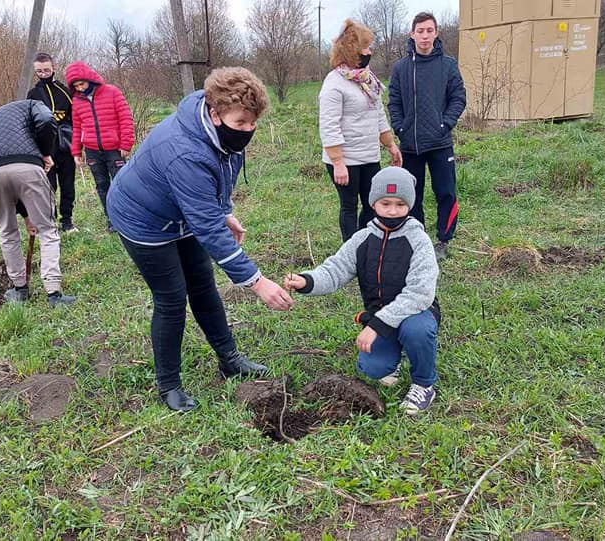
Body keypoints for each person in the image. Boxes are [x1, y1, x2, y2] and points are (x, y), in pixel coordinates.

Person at [107, 67, 294, 412]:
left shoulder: (222, 132)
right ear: (215, 113)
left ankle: (229, 359)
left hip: (181, 210)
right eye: (241, 123)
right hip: (143, 218)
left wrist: (224, 210)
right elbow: (207, 228)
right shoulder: (185, 152)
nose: (248, 131)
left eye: (253, 123)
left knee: (203, 285)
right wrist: (257, 282)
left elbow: (222, 174)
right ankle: (169, 384)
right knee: (172, 298)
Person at [284, 167, 440, 415]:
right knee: (372, 368)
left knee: (416, 330)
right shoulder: (362, 238)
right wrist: (307, 281)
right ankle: (393, 359)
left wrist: (376, 326)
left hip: (415, 313)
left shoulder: (419, 241)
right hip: (379, 317)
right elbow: (335, 269)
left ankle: (424, 383)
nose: (392, 210)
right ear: (373, 202)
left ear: (410, 205)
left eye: (400, 204)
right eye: (385, 203)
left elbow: (420, 293)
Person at [0, 99, 76, 307]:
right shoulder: (32, 104)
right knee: (47, 230)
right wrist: (46, 152)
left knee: (7, 230)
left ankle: (19, 289)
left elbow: (1, 165)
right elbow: (47, 120)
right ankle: (53, 294)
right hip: (28, 169)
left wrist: (27, 216)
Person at [388, 12, 467, 259]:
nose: (424, 35)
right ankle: (417, 238)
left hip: (440, 143)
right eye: (420, 31)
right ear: (412, 34)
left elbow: (458, 98)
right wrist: (400, 128)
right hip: (410, 145)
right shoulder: (401, 68)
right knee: (413, 196)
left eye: (429, 30)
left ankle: (444, 241)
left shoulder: (447, 65)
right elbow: (394, 102)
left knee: (446, 192)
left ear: (436, 33)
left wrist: (446, 124)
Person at [320, 19, 402, 241]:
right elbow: (329, 125)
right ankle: (350, 250)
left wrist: (390, 144)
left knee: (371, 202)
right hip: (345, 160)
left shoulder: (368, 79)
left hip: (369, 155)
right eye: (365, 48)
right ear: (352, 51)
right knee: (349, 206)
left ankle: (366, 244)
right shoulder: (334, 83)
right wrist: (337, 161)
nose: (369, 52)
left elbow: (378, 114)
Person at [64, 61, 134, 233]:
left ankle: (128, 218)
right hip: (92, 151)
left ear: (90, 78)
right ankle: (112, 220)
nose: (80, 88)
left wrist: (126, 143)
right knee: (102, 186)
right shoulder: (77, 101)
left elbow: (125, 118)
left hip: (114, 150)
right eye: (76, 86)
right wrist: (76, 151)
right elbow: (77, 128)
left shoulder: (112, 92)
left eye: (82, 83)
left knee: (121, 185)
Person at [27, 52, 78, 232]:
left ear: (53, 68)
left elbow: (75, 117)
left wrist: (77, 142)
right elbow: (30, 121)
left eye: (46, 70)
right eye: (39, 71)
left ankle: (67, 220)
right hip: (45, 147)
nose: (43, 74)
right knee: (48, 186)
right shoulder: (33, 94)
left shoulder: (65, 90)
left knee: (68, 184)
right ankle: (51, 221)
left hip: (65, 145)